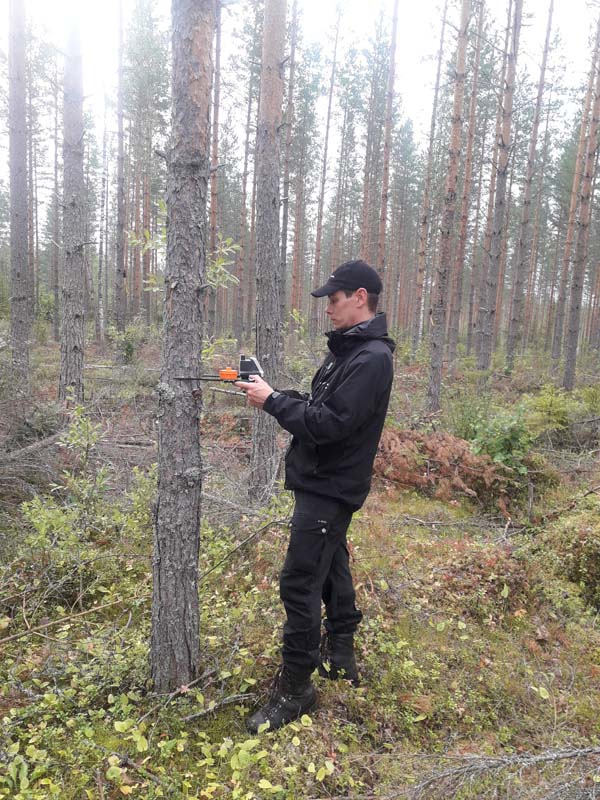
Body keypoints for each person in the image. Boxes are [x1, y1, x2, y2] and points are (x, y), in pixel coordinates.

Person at [235, 259, 395, 733]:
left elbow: (329, 426)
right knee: (332, 567)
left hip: (330, 488)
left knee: (300, 583)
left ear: (360, 297)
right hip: (325, 484)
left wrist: (273, 402)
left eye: (334, 298)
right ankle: (341, 654)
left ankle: (296, 691)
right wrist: (274, 393)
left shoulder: (370, 359)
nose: (328, 308)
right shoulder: (349, 352)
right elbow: (322, 407)